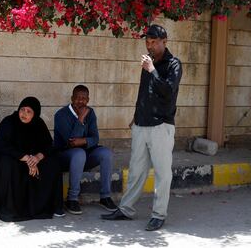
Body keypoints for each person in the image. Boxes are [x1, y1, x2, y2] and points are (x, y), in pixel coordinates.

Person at [101, 24, 182, 231]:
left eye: (154, 42)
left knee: (163, 173)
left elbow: (167, 91)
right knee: (136, 170)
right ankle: (126, 209)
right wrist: (135, 117)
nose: (150, 46)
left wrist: (153, 70)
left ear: (165, 41)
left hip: (161, 126)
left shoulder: (173, 64)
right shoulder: (149, 63)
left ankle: (158, 214)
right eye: (147, 42)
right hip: (141, 124)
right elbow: (144, 93)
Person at [0, 97, 64, 222]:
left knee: (53, 163)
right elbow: (1, 146)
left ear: (35, 114)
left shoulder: (39, 124)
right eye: (22, 110)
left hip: (33, 160)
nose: (24, 114)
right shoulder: (9, 122)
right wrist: (25, 157)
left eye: (29, 111)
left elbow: (49, 146)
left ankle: (48, 207)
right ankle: (10, 210)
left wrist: (38, 157)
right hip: (14, 159)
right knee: (6, 163)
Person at [54, 85, 117, 215]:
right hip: (64, 156)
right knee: (79, 152)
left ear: (88, 100)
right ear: (72, 98)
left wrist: (83, 141)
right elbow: (71, 142)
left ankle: (105, 196)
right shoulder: (61, 115)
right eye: (77, 98)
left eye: (84, 99)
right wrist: (81, 119)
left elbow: (95, 137)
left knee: (106, 153)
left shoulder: (91, 112)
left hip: (84, 153)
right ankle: (72, 199)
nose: (81, 101)